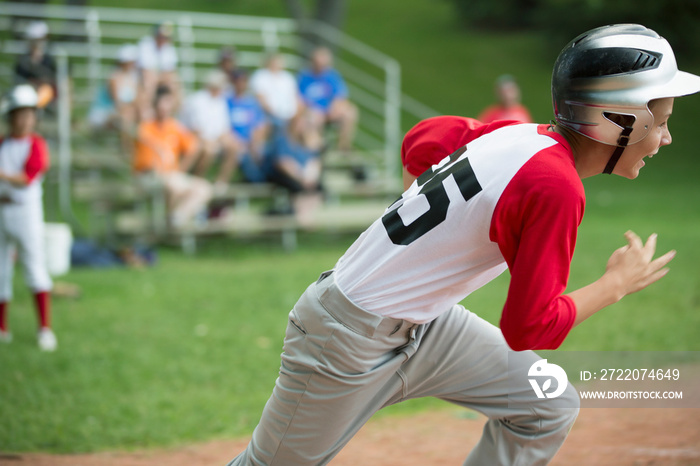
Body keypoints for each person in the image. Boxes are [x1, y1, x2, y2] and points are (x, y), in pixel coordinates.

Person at [227, 24, 700, 465]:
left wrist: (431, 234)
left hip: (427, 324)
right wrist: (616, 283)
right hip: (346, 336)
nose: (667, 136)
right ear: (621, 120)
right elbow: (528, 328)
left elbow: (419, 143)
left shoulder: (520, 136)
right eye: (659, 122)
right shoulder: (556, 185)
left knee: (546, 405)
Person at [0, 84, 56, 351]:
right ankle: (2, 327)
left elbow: (27, 177)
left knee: (35, 268)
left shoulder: (37, 144)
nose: (23, 119)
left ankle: (44, 328)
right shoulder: (4, 143)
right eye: (18, 113)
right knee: (1, 272)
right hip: (2, 211)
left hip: (26, 213)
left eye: (28, 113)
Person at [133, 86, 212, 230]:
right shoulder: (145, 127)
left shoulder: (175, 126)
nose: (165, 107)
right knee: (173, 185)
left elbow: (194, 147)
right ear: (156, 104)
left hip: (173, 175)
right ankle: (169, 225)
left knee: (204, 188)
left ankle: (176, 219)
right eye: (163, 102)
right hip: (150, 176)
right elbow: (145, 162)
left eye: (168, 102)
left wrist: (182, 169)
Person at [181, 70, 240, 194]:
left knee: (235, 147)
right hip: (195, 138)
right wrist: (214, 140)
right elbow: (196, 130)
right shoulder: (197, 100)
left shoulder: (220, 101)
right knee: (209, 149)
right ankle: (197, 182)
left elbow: (224, 128)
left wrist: (224, 139)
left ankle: (221, 183)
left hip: (213, 138)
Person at [298, 46, 358, 153]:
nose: (321, 67)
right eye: (318, 63)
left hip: (330, 110)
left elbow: (340, 96)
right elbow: (300, 98)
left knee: (350, 112)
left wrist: (334, 109)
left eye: (323, 64)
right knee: (313, 117)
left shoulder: (332, 76)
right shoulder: (304, 77)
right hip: (313, 111)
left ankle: (343, 147)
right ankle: (318, 148)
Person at [88, 44, 140, 156]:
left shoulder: (132, 77)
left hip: (120, 113)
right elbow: (118, 103)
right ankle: (128, 151)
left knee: (135, 114)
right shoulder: (114, 77)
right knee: (127, 116)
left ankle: (135, 151)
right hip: (104, 113)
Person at [249, 53, 304, 132]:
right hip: (270, 117)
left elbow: (297, 98)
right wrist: (279, 116)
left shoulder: (288, 77)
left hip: (291, 116)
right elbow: (261, 100)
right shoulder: (260, 76)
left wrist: (297, 115)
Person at [136, 21, 180, 120]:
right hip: (143, 81)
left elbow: (169, 73)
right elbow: (146, 73)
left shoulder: (168, 48)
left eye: (165, 37)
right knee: (149, 84)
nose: (163, 39)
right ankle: (150, 113)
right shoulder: (146, 45)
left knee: (175, 83)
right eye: (161, 36)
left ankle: (170, 114)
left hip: (156, 80)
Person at [14, 21, 57, 109]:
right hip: (28, 95)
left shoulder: (49, 59)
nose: (40, 42)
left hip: (46, 96)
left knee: (46, 90)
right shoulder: (23, 60)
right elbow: (20, 82)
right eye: (38, 39)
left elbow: (54, 80)